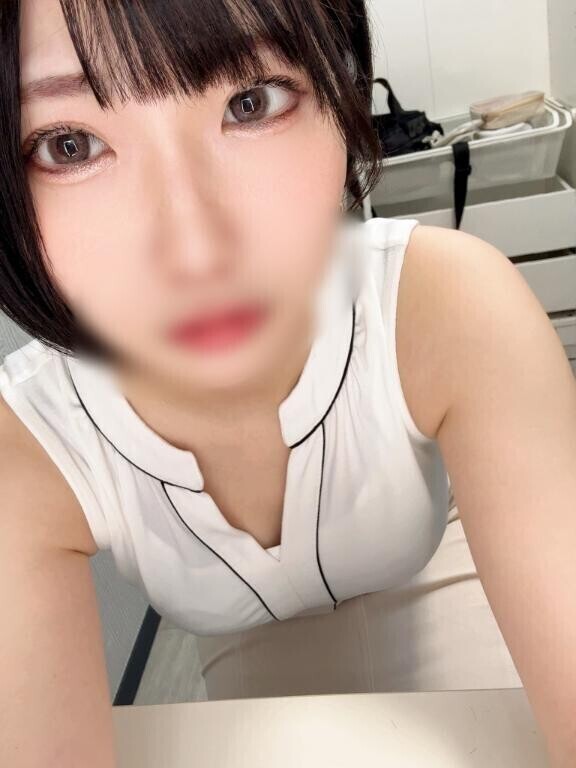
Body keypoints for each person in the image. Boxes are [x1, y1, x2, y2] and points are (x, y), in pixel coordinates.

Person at [1, 1, 575, 766]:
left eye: (251, 102)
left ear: (340, 95)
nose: (197, 253)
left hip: (457, 604)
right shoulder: (29, 440)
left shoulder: (445, 302)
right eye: (69, 145)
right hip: (250, 679)